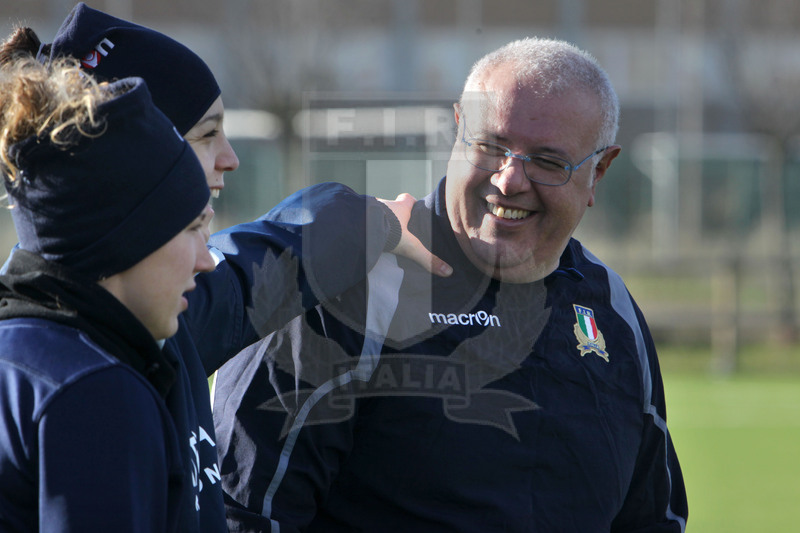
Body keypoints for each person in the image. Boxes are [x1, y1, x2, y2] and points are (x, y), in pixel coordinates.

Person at [1, 4, 450, 530]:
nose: (231, 157)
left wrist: (374, 222)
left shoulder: (131, 319)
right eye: (207, 132)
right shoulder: (92, 385)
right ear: (134, 162)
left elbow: (260, 266)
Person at [213, 37, 689, 531]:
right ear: (459, 128)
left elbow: (652, 517)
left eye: (547, 162)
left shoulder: (612, 311)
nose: (509, 180)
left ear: (599, 172)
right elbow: (240, 512)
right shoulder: (348, 282)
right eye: (491, 146)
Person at [0, 57, 213, 531]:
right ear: (126, 240)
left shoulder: (20, 356)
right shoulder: (93, 391)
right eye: (193, 228)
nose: (207, 259)